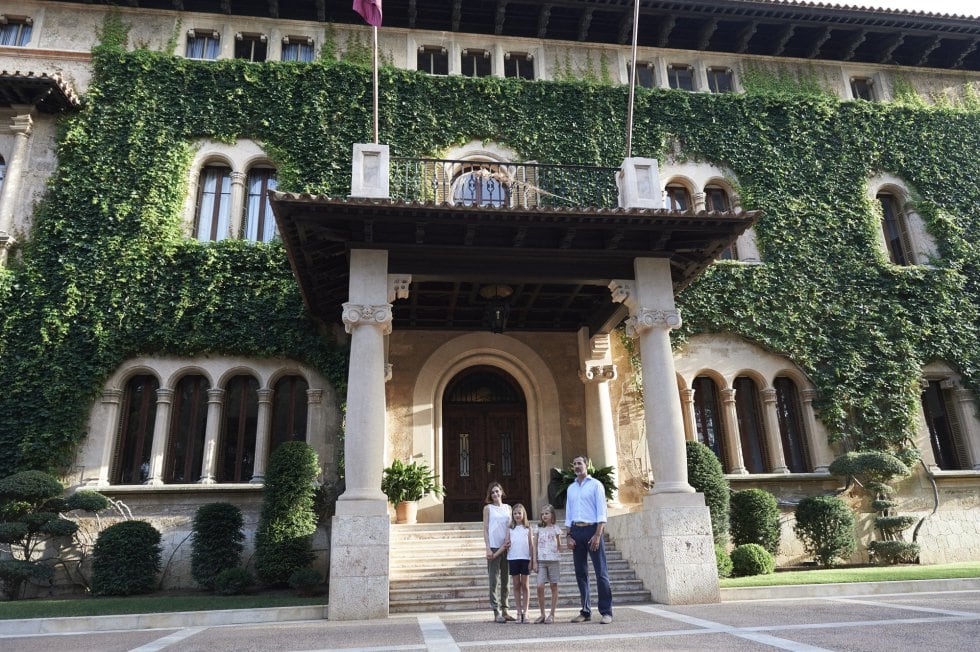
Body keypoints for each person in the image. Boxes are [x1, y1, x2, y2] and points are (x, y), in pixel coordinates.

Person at [565, 455, 613, 624]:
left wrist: (598, 535)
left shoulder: (596, 485)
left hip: (593, 530)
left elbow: (602, 512)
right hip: (576, 531)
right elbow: (569, 514)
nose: (577, 466)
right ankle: (585, 612)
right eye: (575, 464)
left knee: (601, 573)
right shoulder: (571, 488)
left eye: (580, 463)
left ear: (586, 465)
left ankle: (606, 612)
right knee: (581, 573)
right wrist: (568, 535)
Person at [483, 481, 515, 623]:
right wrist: (488, 547)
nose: (495, 494)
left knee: (506, 580)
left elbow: (511, 526)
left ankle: (505, 610)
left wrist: (508, 542)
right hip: (494, 547)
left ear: (501, 492)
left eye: (497, 491)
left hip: (507, 547)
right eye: (492, 492)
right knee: (493, 580)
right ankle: (496, 611)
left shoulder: (508, 508)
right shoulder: (488, 508)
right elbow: (485, 529)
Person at [505, 502, 534, 624]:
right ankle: (518, 611)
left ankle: (525, 611)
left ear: (523, 514)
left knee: (525, 585)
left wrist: (532, 560)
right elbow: (507, 542)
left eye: (519, 513)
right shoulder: (510, 528)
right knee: (516, 585)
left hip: (525, 558)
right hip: (513, 558)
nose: (517, 515)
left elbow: (531, 545)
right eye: (515, 513)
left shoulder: (528, 528)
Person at [533, 503, 562, 624]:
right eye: (542, 514)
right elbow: (534, 545)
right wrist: (534, 561)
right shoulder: (538, 528)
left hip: (554, 561)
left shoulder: (556, 528)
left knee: (553, 586)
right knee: (540, 586)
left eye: (547, 513)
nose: (544, 515)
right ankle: (542, 614)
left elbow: (559, 545)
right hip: (541, 562)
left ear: (552, 515)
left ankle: (552, 614)